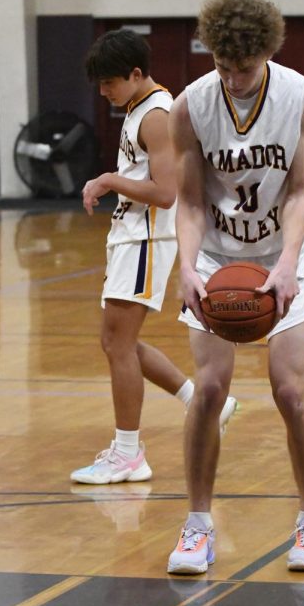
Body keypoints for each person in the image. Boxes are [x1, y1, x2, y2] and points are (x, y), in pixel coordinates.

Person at [166, 0, 304, 573]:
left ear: (266, 52)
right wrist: (186, 267)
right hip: (215, 255)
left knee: (290, 391)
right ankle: (197, 525)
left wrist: (286, 262)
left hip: (286, 252)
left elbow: (300, 191)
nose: (233, 79)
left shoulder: (303, 96)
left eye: (244, 67)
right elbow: (187, 202)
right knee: (208, 391)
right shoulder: (189, 107)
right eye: (222, 66)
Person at [70, 29, 237, 485]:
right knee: (118, 342)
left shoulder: (156, 115)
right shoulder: (137, 109)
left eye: (109, 82)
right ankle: (205, 401)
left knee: (116, 343)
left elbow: (166, 193)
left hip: (145, 240)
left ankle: (128, 453)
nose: (103, 91)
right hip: (130, 237)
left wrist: (108, 179)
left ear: (137, 73)